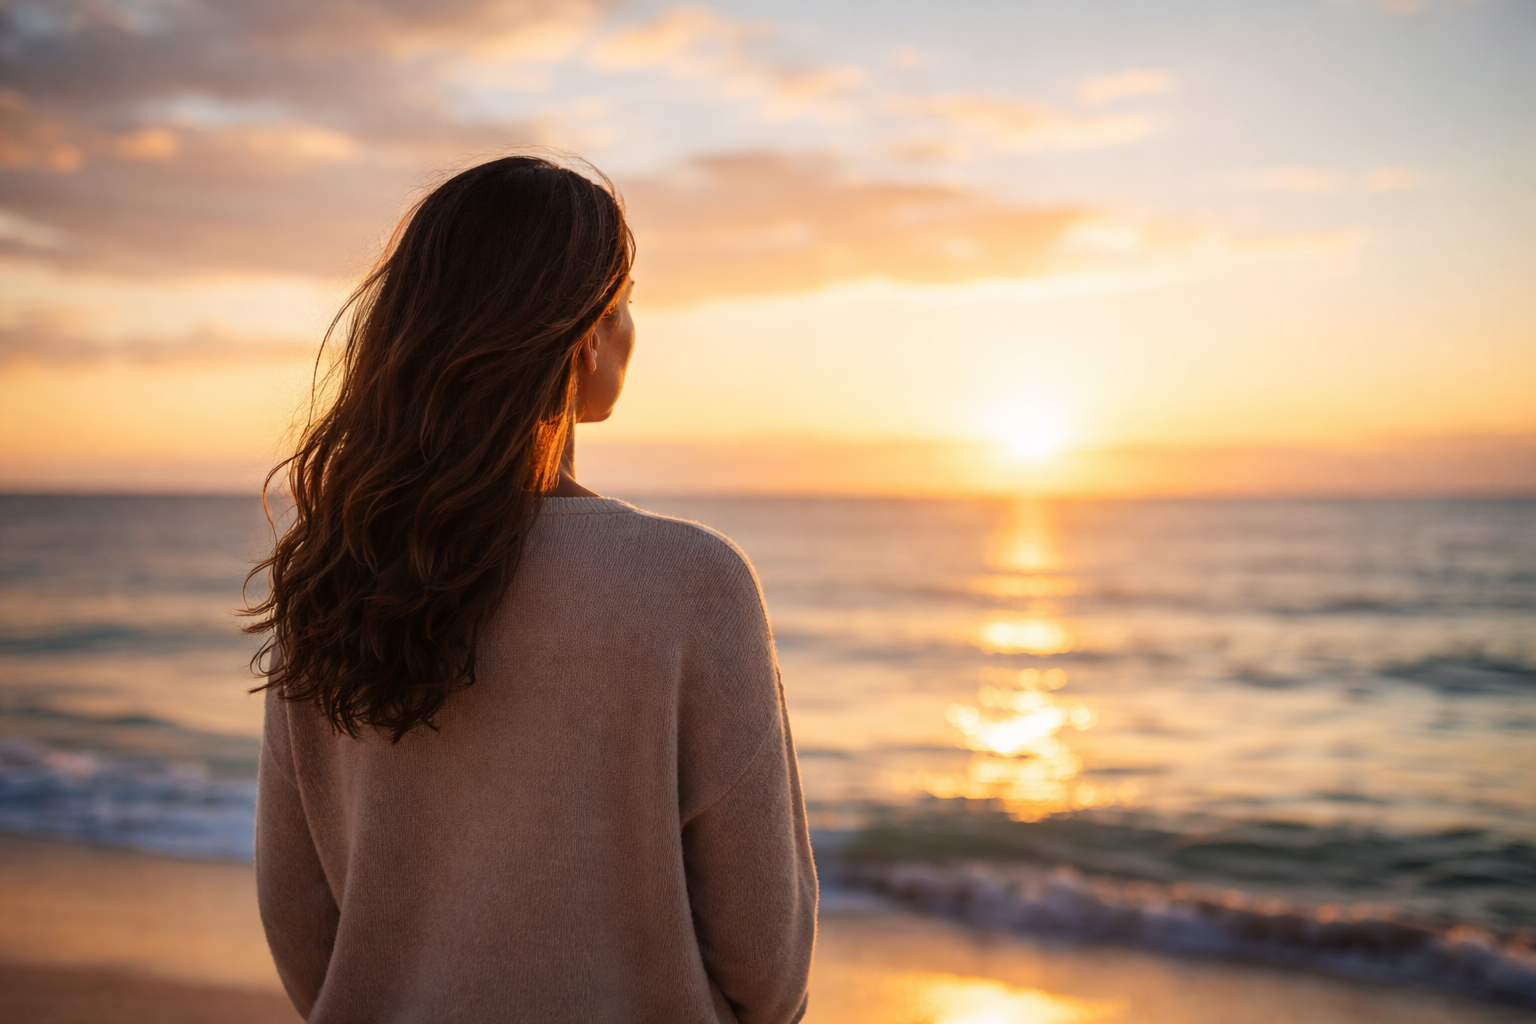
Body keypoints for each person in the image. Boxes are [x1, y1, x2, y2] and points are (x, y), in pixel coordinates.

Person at [246, 155, 817, 1023]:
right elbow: (766, 967)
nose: (630, 328)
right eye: (623, 301)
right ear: (583, 334)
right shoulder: (692, 584)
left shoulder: (333, 576)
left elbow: (301, 926)